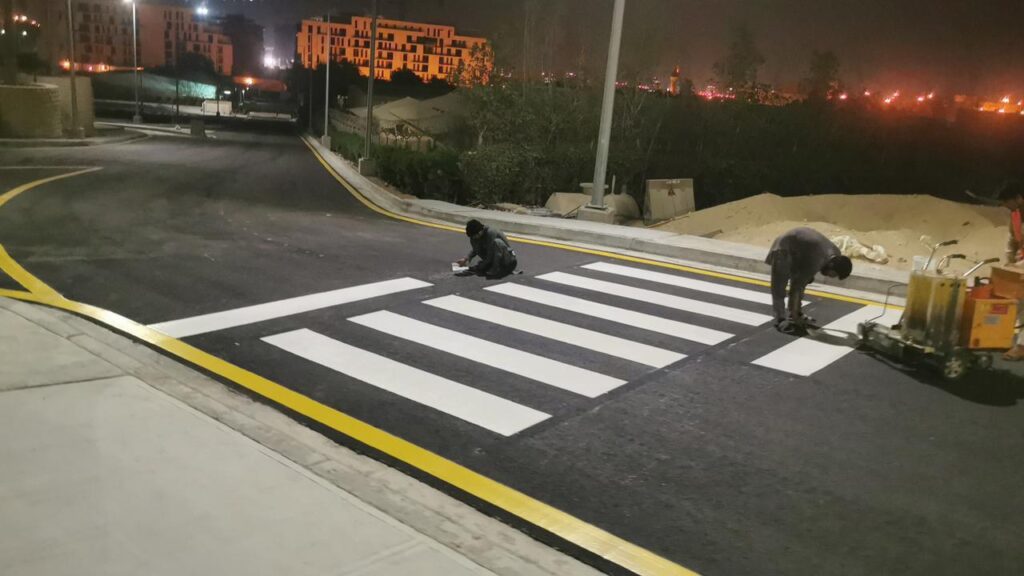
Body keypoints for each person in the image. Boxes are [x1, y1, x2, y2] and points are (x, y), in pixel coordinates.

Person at [766, 227, 853, 334]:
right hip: (783, 248)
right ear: (831, 264)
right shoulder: (817, 260)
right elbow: (796, 288)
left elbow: (803, 279)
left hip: (798, 250)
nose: (830, 277)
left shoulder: (836, 253)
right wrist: (796, 317)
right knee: (779, 287)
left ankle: (795, 314)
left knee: (805, 279)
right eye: (832, 275)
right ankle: (780, 319)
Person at [997, 181, 1024, 360]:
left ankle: (1021, 347)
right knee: (1017, 304)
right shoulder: (1015, 215)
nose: (1008, 208)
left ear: (1019, 198)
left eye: (1009, 203)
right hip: (1021, 265)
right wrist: (1008, 263)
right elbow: (1012, 241)